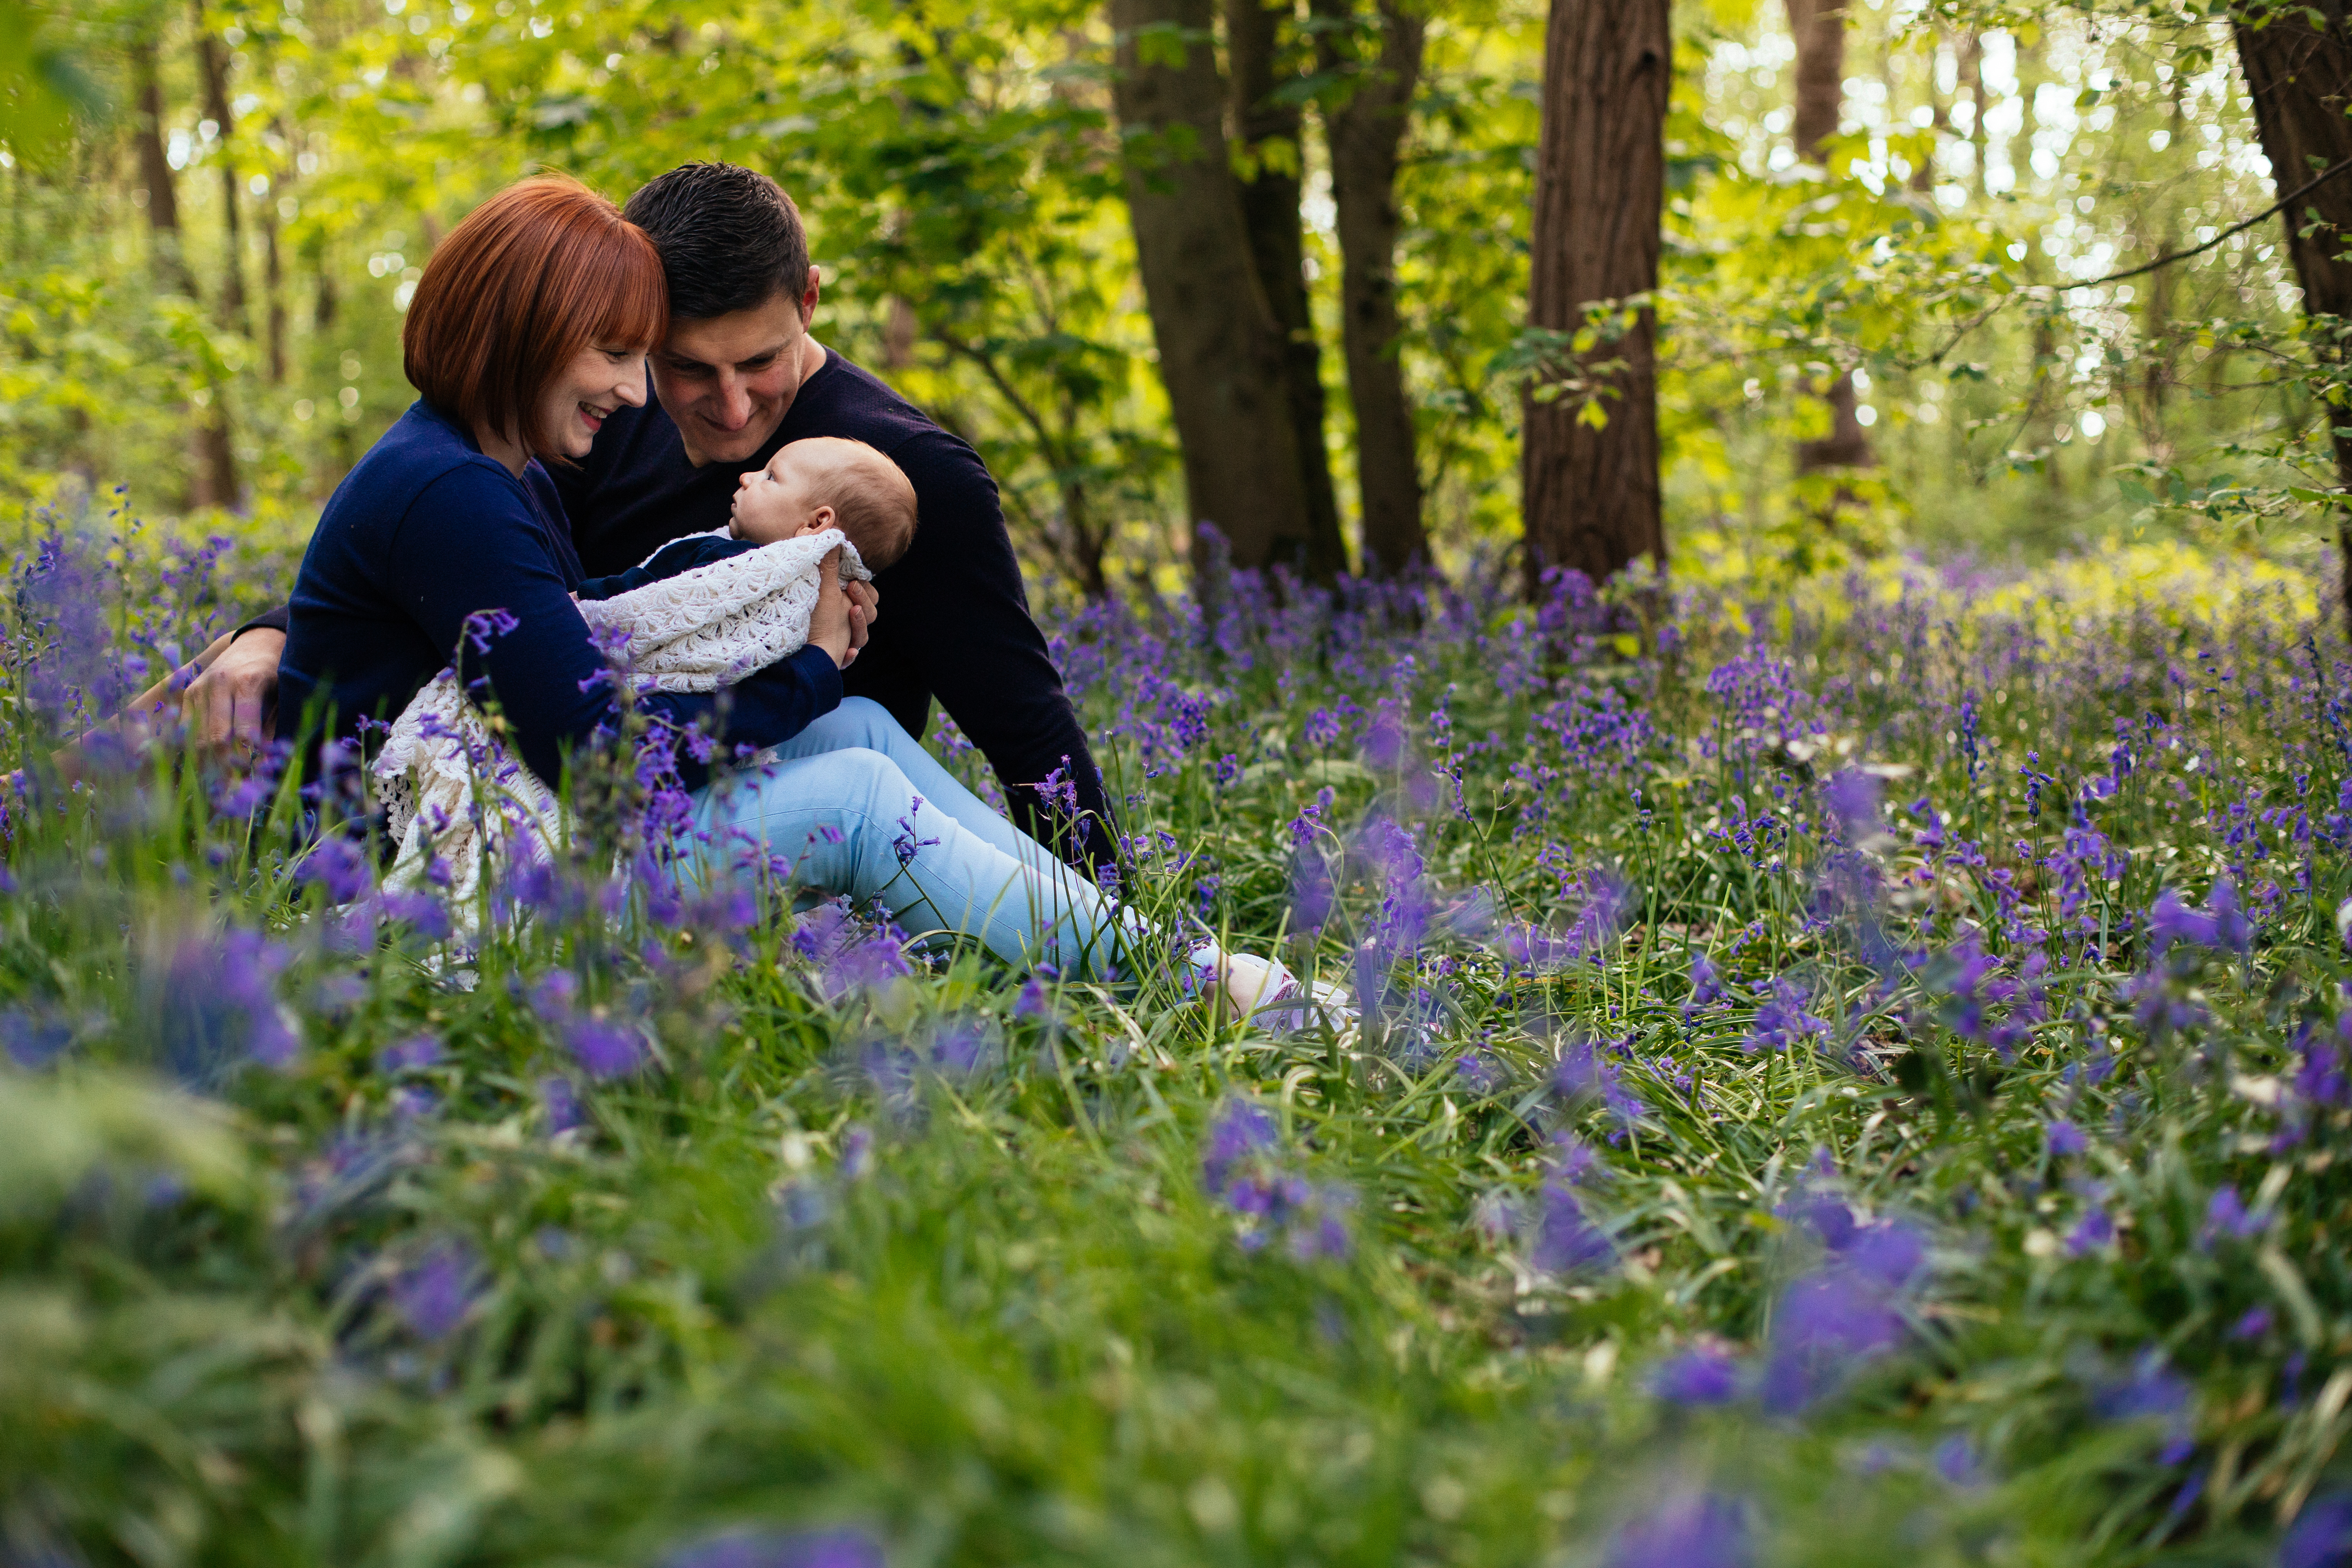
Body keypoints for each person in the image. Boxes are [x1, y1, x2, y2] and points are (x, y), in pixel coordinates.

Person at [288, 173, 1309, 1013]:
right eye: (623, 356)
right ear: (525, 337)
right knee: (857, 798)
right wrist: (810, 664)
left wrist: (806, 658)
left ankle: (1152, 958)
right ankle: (1174, 985)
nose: (642, 394)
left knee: (861, 729)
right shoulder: (460, 488)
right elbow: (601, 763)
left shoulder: (492, 465)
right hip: (429, 877)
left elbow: (565, 632)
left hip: (530, 810)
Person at [187, 161, 1115, 871]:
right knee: (859, 778)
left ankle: (1153, 956)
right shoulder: (586, 434)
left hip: (725, 773)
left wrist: (1111, 901)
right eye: (677, 365)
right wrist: (273, 634)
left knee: (864, 744)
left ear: (809, 300)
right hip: (579, 799)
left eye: (758, 363)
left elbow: (1025, 726)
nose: (730, 407)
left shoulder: (908, 471)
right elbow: (481, 583)